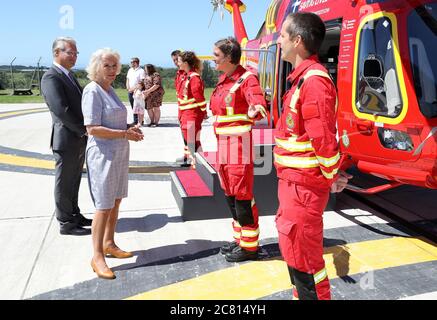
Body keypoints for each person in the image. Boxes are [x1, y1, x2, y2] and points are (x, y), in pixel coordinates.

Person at [274, 12, 352, 300]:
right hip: (295, 185)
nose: (279, 41)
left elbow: (324, 141)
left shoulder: (314, 82)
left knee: (304, 259)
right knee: (296, 255)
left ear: (298, 40)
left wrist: (332, 177)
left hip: (304, 188)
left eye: (283, 36)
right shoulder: (302, 79)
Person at [82, 48, 144, 280]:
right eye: (107, 66)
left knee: (116, 200)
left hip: (118, 152)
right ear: (96, 66)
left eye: (114, 66)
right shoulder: (92, 91)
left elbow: (115, 122)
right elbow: (92, 128)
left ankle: (109, 243)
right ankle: (97, 256)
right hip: (103, 155)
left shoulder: (109, 90)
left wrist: (128, 129)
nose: (112, 70)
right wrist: (124, 134)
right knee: (104, 205)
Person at [209, 37, 267, 262]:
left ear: (229, 58)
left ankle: (250, 248)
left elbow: (260, 105)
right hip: (223, 145)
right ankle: (240, 240)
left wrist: (256, 111)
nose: (212, 59)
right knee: (230, 194)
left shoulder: (247, 79)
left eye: (216, 55)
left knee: (242, 196)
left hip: (238, 147)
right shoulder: (225, 80)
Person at [41, 37, 92, 236]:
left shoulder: (69, 75)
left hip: (77, 138)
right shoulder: (51, 77)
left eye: (76, 53)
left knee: (74, 180)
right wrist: (83, 129)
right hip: (66, 138)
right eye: (70, 53)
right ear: (57, 53)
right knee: (64, 182)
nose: (74, 57)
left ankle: (74, 214)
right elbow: (61, 110)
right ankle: (66, 223)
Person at [176, 51, 207, 167]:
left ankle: (197, 164)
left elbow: (199, 96)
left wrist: (204, 111)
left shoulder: (194, 77)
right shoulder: (187, 75)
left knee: (192, 141)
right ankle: (198, 162)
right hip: (186, 114)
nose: (177, 63)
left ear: (185, 63)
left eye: (179, 61)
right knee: (191, 140)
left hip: (192, 114)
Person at [126, 57, 145, 124]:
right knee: (132, 106)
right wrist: (128, 88)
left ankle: (140, 120)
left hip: (137, 91)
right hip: (130, 91)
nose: (130, 63)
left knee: (138, 105)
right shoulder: (130, 70)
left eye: (132, 62)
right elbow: (127, 79)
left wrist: (133, 89)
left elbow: (141, 82)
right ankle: (136, 120)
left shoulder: (141, 71)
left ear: (136, 63)